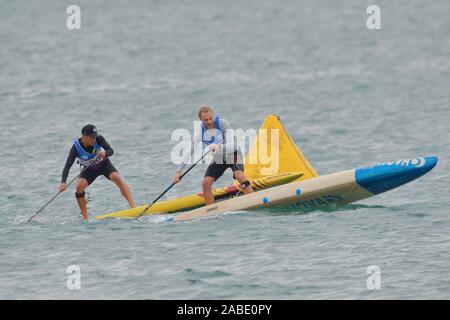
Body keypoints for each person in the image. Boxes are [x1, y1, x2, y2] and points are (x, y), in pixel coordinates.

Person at [173, 106, 253, 204]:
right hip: (219, 158)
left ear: (213, 115)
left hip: (233, 153)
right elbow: (189, 150)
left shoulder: (223, 124)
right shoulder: (200, 133)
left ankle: (252, 198)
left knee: (239, 175)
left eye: (210, 118)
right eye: (206, 120)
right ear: (201, 120)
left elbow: (233, 146)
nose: (209, 122)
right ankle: (211, 209)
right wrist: (178, 171)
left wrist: (219, 147)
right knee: (205, 183)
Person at [59, 124, 135, 219]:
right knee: (79, 187)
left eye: (95, 137)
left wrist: (105, 153)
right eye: (92, 138)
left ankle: (133, 207)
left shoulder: (99, 139)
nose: (94, 139)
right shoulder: (75, 148)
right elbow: (67, 166)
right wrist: (63, 182)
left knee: (116, 177)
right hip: (89, 170)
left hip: (104, 165)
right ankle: (85, 217)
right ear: (84, 137)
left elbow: (111, 151)